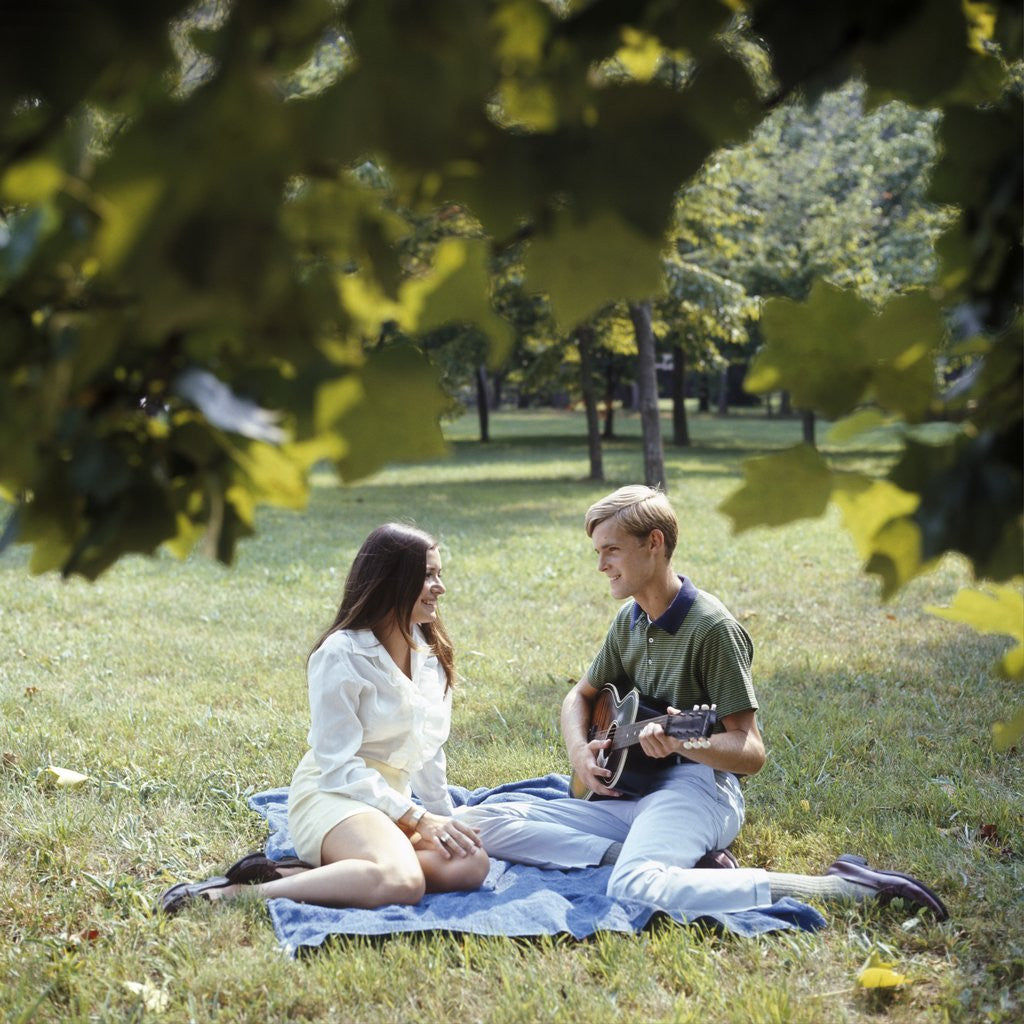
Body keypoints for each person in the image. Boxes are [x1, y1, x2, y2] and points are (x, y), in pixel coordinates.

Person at [457, 486, 947, 921]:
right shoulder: (630, 620)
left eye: (611, 551)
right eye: (598, 551)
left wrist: (683, 743)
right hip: (634, 791)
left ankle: (841, 887)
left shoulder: (712, 629)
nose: (601, 565)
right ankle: (680, 862)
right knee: (471, 823)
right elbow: (579, 696)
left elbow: (750, 751)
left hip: (698, 788)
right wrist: (579, 754)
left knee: (634, 887)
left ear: (654, 543)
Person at [158, 523, 488, 914]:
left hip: (390, 805)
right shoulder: (341, 654)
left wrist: (442, 819)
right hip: (335, 795)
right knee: (404, 882)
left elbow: (428, 751)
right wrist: (417, 818)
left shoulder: (430, 653)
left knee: (471, 863)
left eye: (439, 574)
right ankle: (231, 896)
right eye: (427, 575)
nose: (440, 587)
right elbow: (336, 766)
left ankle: (299, 874)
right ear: (392, 580)